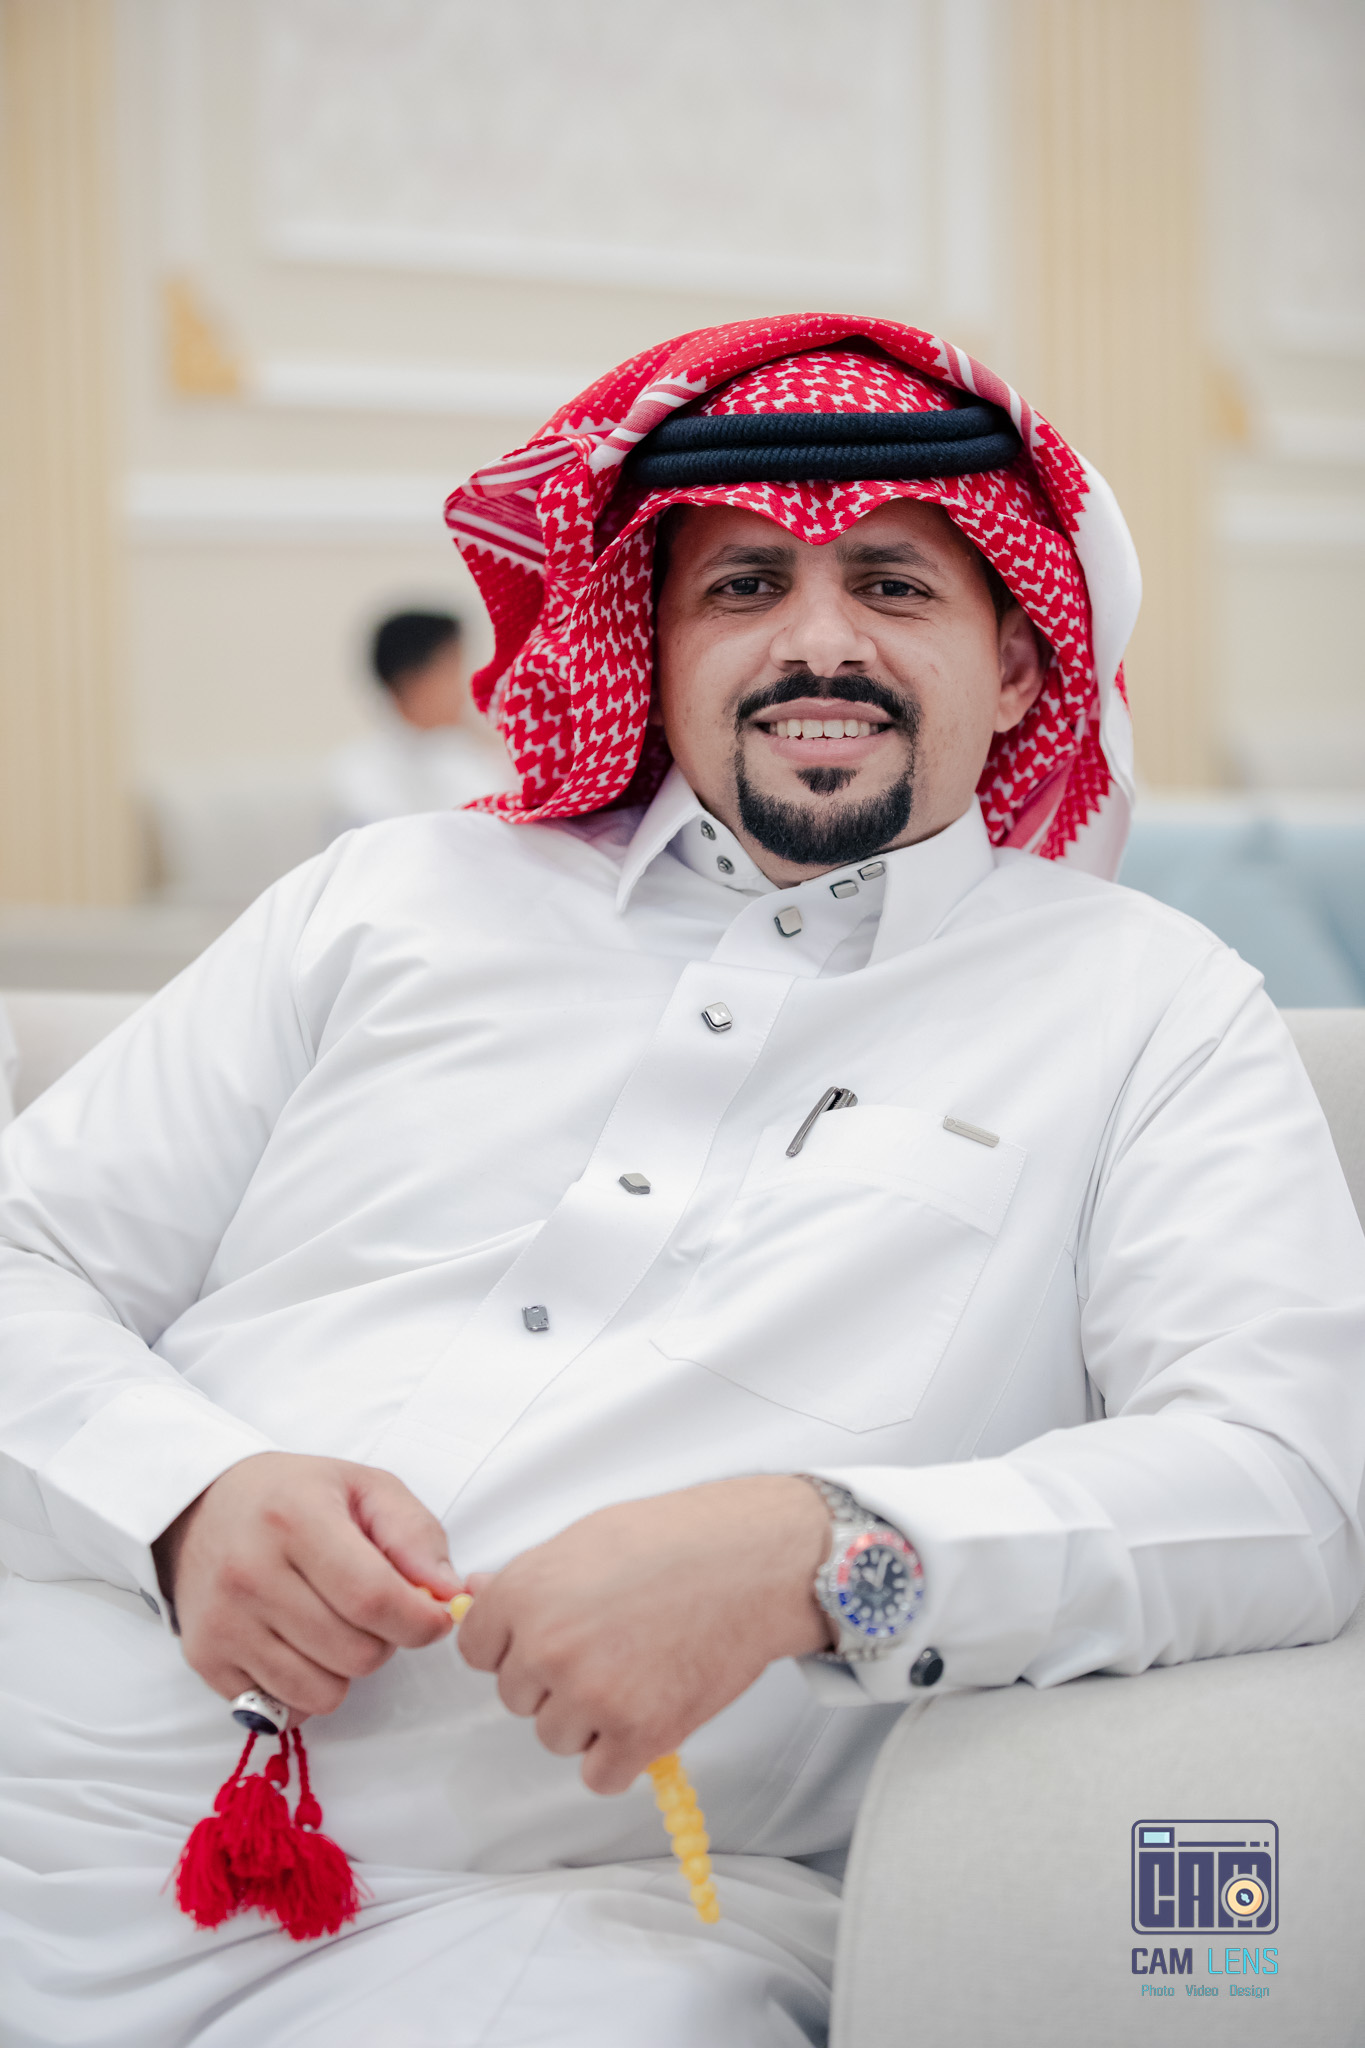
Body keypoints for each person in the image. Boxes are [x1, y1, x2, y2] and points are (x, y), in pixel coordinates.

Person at [1, 314, 1363, 2048]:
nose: (818, 640)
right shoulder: (389, 899)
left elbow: (1288, 1480)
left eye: (894, 586)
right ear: (645, 642)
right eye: (742, 586)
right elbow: (25, 1252)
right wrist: (183, 1493)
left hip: (549, 1928)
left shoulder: (1145, 1007)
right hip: (47, 1782)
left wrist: (817, 1551)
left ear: (1021, 663)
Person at [328, 607, 515, 829]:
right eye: (452, 670)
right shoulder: (358, 772)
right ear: (412, 681)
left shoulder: (465, 755)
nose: (465, 688)